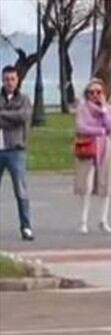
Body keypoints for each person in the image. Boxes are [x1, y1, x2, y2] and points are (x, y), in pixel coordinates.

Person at [74, 78, 111, 235]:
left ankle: (103, 220)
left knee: (105, 185)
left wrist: (104, 110)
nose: (95, 95)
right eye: (91, 92)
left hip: (105, 148)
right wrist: (99, 131)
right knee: (87, 185)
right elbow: (81, 127)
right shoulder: (83, 109)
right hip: (88, 148)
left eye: (98, 92)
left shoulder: (109, 109)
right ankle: (83, 221)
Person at [0, 65, 34, 241]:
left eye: (13, 79)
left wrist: (3, 115)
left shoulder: (24, 99)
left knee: (21, 191)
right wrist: (10, 116)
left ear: (18, 80)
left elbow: (22, 117)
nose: (10, 82)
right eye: (6, 79)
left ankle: (26, 226)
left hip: (16, 150)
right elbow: (14, 118)